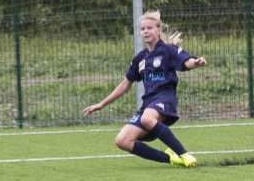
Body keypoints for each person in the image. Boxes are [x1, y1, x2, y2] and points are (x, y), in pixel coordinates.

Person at [84, 10, 208, 167]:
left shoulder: (168, 50)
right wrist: (101, 104)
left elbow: (186, 61)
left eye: (149, 28)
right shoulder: (140, 58)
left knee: (147, 119)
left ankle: (183, 154)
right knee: (122, 141)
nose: (145, 31)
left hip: (165, 97)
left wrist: (195, 63)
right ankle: (170, 159)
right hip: (148, 103)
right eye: (142, 29)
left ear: (158, 30)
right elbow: (125, 84)